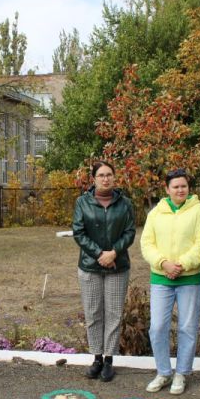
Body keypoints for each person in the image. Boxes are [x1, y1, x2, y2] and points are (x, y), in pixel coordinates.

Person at [140, 169, 200, 396]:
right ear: (167, 189)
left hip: (190, 278)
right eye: (176, 186)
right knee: (158, 327)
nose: (180, 190)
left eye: (184, 186)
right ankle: (163, 371)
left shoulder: (199, 211)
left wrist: (180, 265)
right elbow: (147, 243)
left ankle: (181, 373)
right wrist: (163, 264)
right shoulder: (156, 213)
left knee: (187, 327)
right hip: (161, 277)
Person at [72, 160, 136, 382]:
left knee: (114, 314)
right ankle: (96, 357)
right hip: (90, 266)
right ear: (94, 178)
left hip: (117, 266)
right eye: (101, 175)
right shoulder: (83, 202)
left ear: (114, 177)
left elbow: (129, 232)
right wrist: (100, 254)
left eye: (109, 174)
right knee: (93, 313)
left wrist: (113, 253)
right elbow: (79, 232)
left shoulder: (125, 203)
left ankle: (109, 359)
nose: (106, 178)